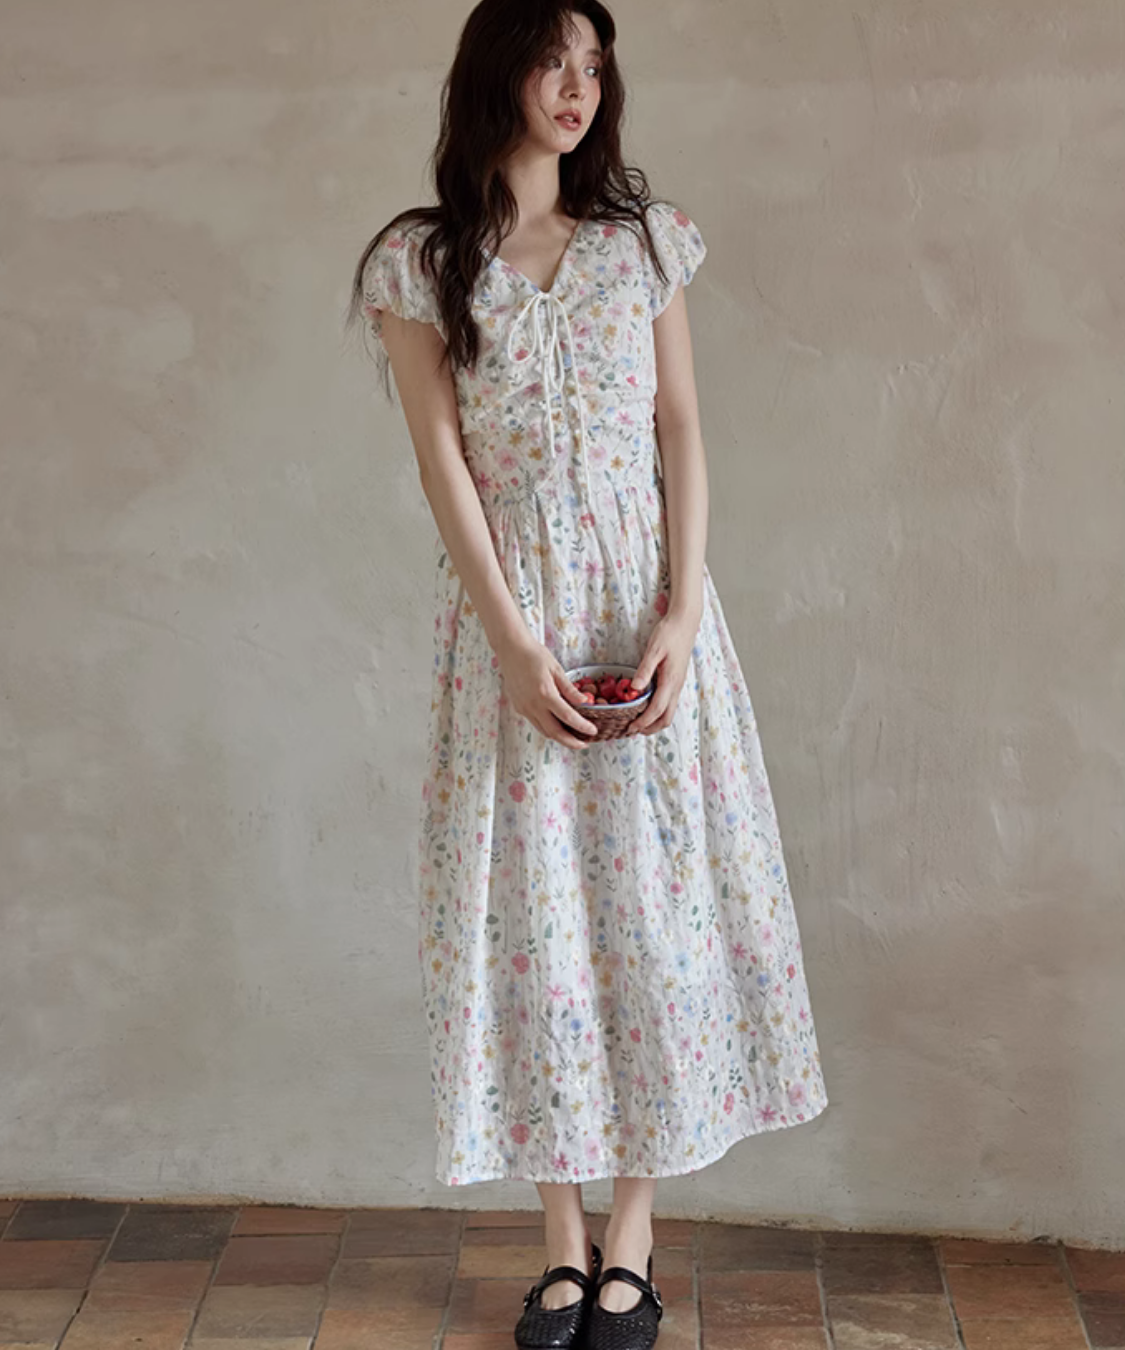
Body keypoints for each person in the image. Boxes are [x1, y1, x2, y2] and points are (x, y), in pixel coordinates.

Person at [346, 2, 829, 1346]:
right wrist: (512, 642)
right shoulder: (420, 262)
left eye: (596, 66)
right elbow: (443, 465)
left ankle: (634, 1232)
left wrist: (682, 612)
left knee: (654, 914)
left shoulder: (640, 244)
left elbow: (681, 427)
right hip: (513, 623)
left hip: (647, 610)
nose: (578, 87)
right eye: (554, 60)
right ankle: (559, 1240)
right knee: (536, 915)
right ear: (497, 70)